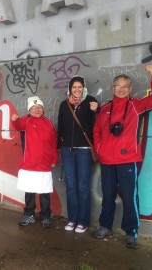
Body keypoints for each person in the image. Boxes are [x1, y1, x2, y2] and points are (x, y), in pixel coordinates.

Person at [92, 65, 152, 249]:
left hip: (128, 160)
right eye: (118, 86)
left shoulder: (135, 105)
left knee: (130, 197)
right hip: (107, 160)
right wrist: (100, 148)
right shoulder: (105, 108)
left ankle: (131, 232)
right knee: (108, 195)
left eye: (125, 86)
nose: (121, 89)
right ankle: (105, 226)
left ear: (130, 89)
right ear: (112, 88)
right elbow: (97, 130)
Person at [57, 76, 99, 233]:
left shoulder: (90, 101)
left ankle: (83, 221)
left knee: (82, 186)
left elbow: (99, 120)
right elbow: (60, 125)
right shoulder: (64, 104)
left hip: (84, 151)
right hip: (67, 150)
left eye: (79, 87)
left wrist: (97, 108)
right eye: (74, 87)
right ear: (70, 88)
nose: (77, 90)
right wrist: (59, 147)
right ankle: (72, 219)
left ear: (84, 87)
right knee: (71, 186)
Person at [11, 96, 58, 228]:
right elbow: (17, 124)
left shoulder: (49, 124)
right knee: (29, 192)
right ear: (29, 110)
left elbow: (54, 144)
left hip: (44, 165)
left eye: (39, 107)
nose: (37, 110)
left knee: (44, 193)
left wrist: (54, 159)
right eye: (33, 107)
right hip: (29, 165)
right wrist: (14, 119)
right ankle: (29, 214)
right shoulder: (25, 121)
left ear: (43, 109)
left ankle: (45, 216)